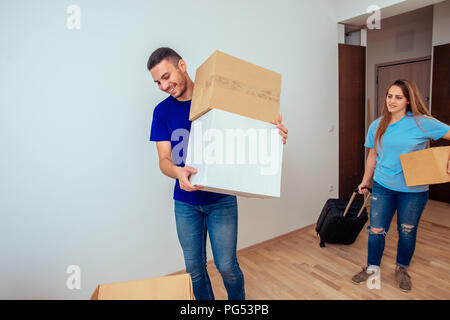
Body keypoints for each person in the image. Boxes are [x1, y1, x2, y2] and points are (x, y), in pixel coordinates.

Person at [147, 47, 288, 300]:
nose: (163, 85)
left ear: (182, 65)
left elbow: (249, 130)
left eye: (166, 76)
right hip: (185, 203)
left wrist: (273, 136)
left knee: (227, 267)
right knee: (194, 270)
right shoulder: (162, 112)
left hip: (220, 200)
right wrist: (178, 172)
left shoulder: (217, 95)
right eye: (157, 82)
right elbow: (164, 160)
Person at [352, 79, 450, 292]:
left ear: (408, 100)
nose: (392, 101)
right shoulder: (377, 125)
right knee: (376, 231)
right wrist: (365, 181)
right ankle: (371, 268)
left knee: (407, 231)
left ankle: (401, 269)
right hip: (382, 186)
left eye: (398, 97)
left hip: (413, 191)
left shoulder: (422, 122)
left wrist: (447, 159)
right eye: (389, 96)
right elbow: (373, 154)